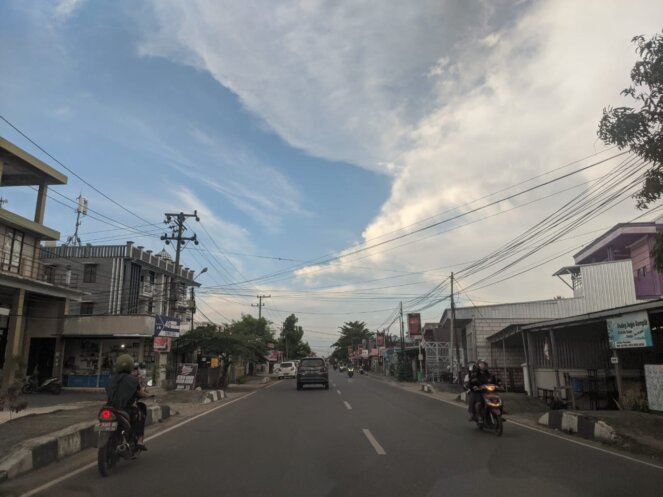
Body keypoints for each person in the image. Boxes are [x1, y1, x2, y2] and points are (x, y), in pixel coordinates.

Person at [106, 354, 154, 450]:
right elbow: (140, 393)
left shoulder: (111, 379)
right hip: (126, 409)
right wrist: (150, 395)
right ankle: (140, 440)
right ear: (130, 366)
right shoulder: (133, 380)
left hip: (109, 408)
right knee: (141, 411)